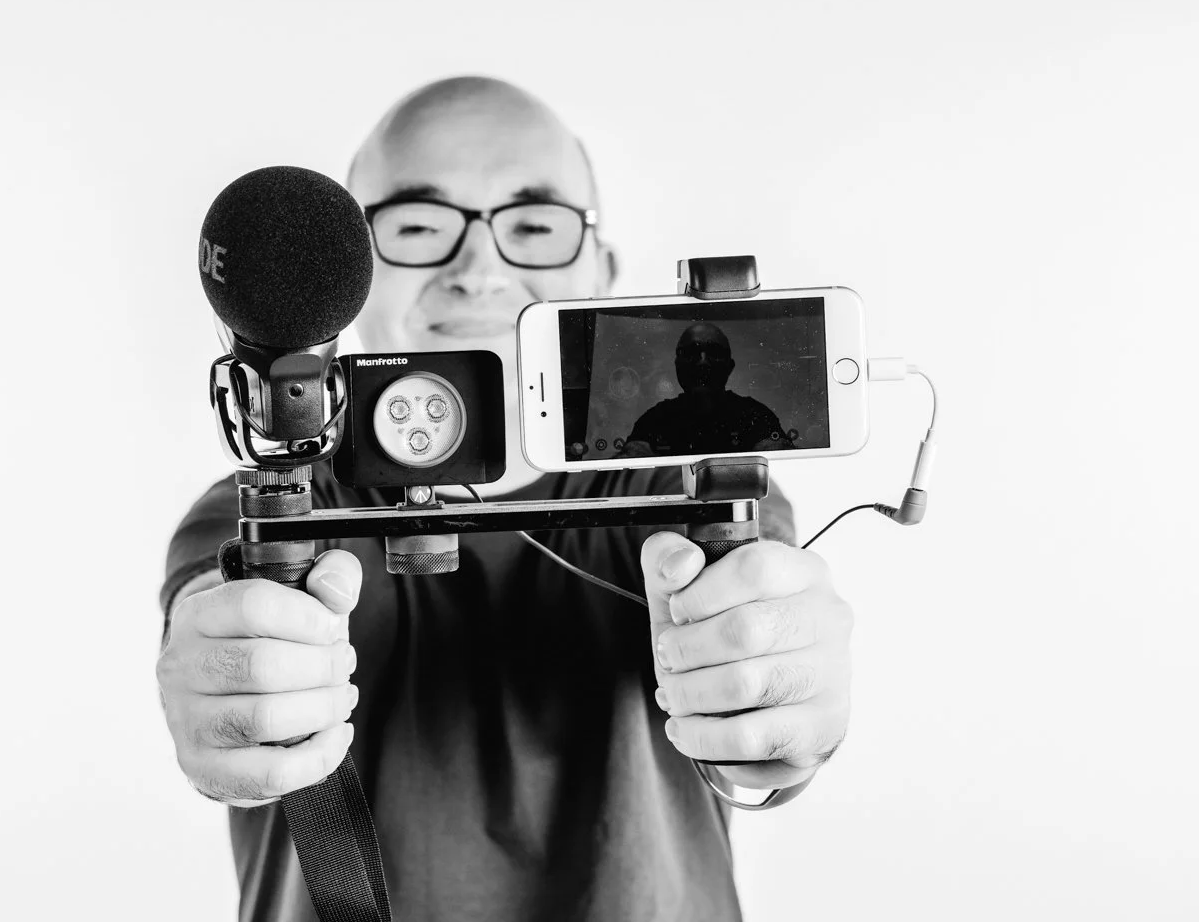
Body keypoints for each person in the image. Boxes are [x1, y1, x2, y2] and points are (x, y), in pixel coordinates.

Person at [156, 77, 853, 922]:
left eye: (532, 226)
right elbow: (212, 634)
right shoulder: (268, 511)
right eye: (417, 227)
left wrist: (775, 703)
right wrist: (224, 691)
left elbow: (763, 694)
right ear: (347, 284)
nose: (479, 268)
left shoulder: (695, 489)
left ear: (601, 268)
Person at [622, 322, 794, 458]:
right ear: (677, 366)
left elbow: (783, 465)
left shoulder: (755, 416)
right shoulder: (653, 420)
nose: (702, 362)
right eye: (691, 352)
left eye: (714, 352)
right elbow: (628, 470)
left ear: (730, 366)